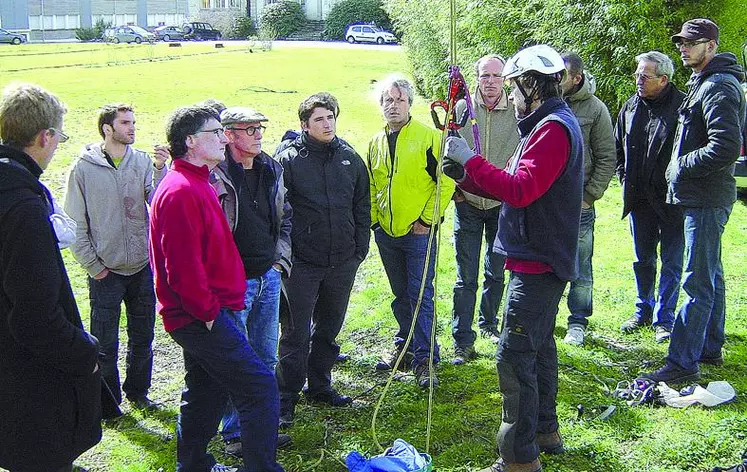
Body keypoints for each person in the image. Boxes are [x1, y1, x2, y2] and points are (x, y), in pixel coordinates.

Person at [444, 44, 583, 472]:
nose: (512, 96)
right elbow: (510, 186)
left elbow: (521, 189)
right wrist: (465, 173)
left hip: (538, 260)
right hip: (536, 254)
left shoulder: (553, 130)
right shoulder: (542, 127)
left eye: (515, 87)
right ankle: (545, 431)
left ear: (529, 85)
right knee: (538, 348)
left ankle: (519, 458)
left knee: (514, 354)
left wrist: (470, 156)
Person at [149, 105, 284, 472]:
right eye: (215, 132)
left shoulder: (199, 182)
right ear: (190, 141)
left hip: (208, 312)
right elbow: (182, 268)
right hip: (200, 316)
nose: (224, 138)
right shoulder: (180, 190)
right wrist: (209, 315)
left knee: (206, 393)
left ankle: (193, 465)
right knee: (259, 388)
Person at [0, 83, 102, 472]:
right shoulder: (23, 207)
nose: (58, 144)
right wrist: (85, 353)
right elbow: (33, 318)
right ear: (45, 136)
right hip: (30, 383)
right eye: (58, 135)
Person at [644, 19, 746, 383]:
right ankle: (710, 346)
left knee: (696, 281)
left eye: (692, 42)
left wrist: (678, 166)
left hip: (706, 197)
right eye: (681, 42)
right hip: (703, 196)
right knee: (711, 275)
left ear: (712, 46)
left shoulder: (718, 86)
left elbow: (726, 147)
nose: (683, 47)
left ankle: (682, 362)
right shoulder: (705, 81)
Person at [274, 93, 370, 426]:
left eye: (330, 117)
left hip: (342, 260)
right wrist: (287, 256)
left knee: (328, 329)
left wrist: (359, 249)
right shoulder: (288, 161)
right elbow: (279, 213)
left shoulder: (350, 158)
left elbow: (362, 205)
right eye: (319, 119)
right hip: (302, 263)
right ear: (305, 124)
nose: (327, 124)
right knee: (295, 333)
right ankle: (286, 396)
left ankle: (320, 385)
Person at [65, 104, 166, 409]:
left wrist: (162, 170)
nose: (132, 128)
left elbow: (159, 204)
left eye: (134, 122)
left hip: (141, 268)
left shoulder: (142, 162)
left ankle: (139, 393)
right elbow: (74, 224)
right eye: (125, 123)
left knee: (143, 338)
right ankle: (108, 403)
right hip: (105, 272)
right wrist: (94, 267)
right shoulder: (82, 168)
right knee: (104, 344)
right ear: (107, 128)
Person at [214, 106, 293, 453]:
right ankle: (234, 433)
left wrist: (280, 262)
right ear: (229, 135)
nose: (258, 134)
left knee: (266, 356)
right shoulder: (215, 176)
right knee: (236, 359)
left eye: (260, 127)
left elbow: (285, 216)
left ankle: (263, 427)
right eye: (249, 129)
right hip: (234, 283)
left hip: (268, 277)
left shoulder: (271, 168)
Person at [368, 76, 455, 388]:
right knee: (400, 295)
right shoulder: (375, 141)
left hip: (419, 234)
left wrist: (427, 221)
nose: (393, 106)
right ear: (381, 106)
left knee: (421, 296)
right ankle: (405, 346)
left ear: (410, 104)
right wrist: (375, 221)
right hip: (386, 233)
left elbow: (447, 182)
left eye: (399, 100)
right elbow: (373, 184)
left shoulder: (430, 138)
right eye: (388, 101)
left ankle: (426, 360)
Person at [451, 54, 519, 364]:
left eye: (496, 76)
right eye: (484, 76)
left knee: (497, 270)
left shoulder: (518, 109)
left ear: (504, 79)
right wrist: (456, 190)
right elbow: (447, 151)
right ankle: (462, 337)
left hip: (501, 203)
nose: (490, 82)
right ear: (476, 78)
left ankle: (489, 324)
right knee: (466, 276)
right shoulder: (462, 108)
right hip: (467, 202)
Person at [615, 51, 685, 343]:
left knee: (671, 261)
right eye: (637, 75)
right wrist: (624, 177)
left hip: (672, 201)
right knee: (642, 259)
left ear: (664, 79)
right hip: (639, 199)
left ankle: (664, 319)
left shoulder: (683, 106)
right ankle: (643, 309)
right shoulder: (630, 107)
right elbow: (618, 146)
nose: (638, 81)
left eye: (645, 76)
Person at [560, 52, 616, 346]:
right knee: (546, 261)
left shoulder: (596, 109)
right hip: (549, 201)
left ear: (576, 78)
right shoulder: (545, 103)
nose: (556, 78)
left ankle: (578, 321)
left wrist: (590, 196)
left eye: (563, 74)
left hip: (579, 202)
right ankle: (542, 317)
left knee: (581, 265)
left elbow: (608, 157)